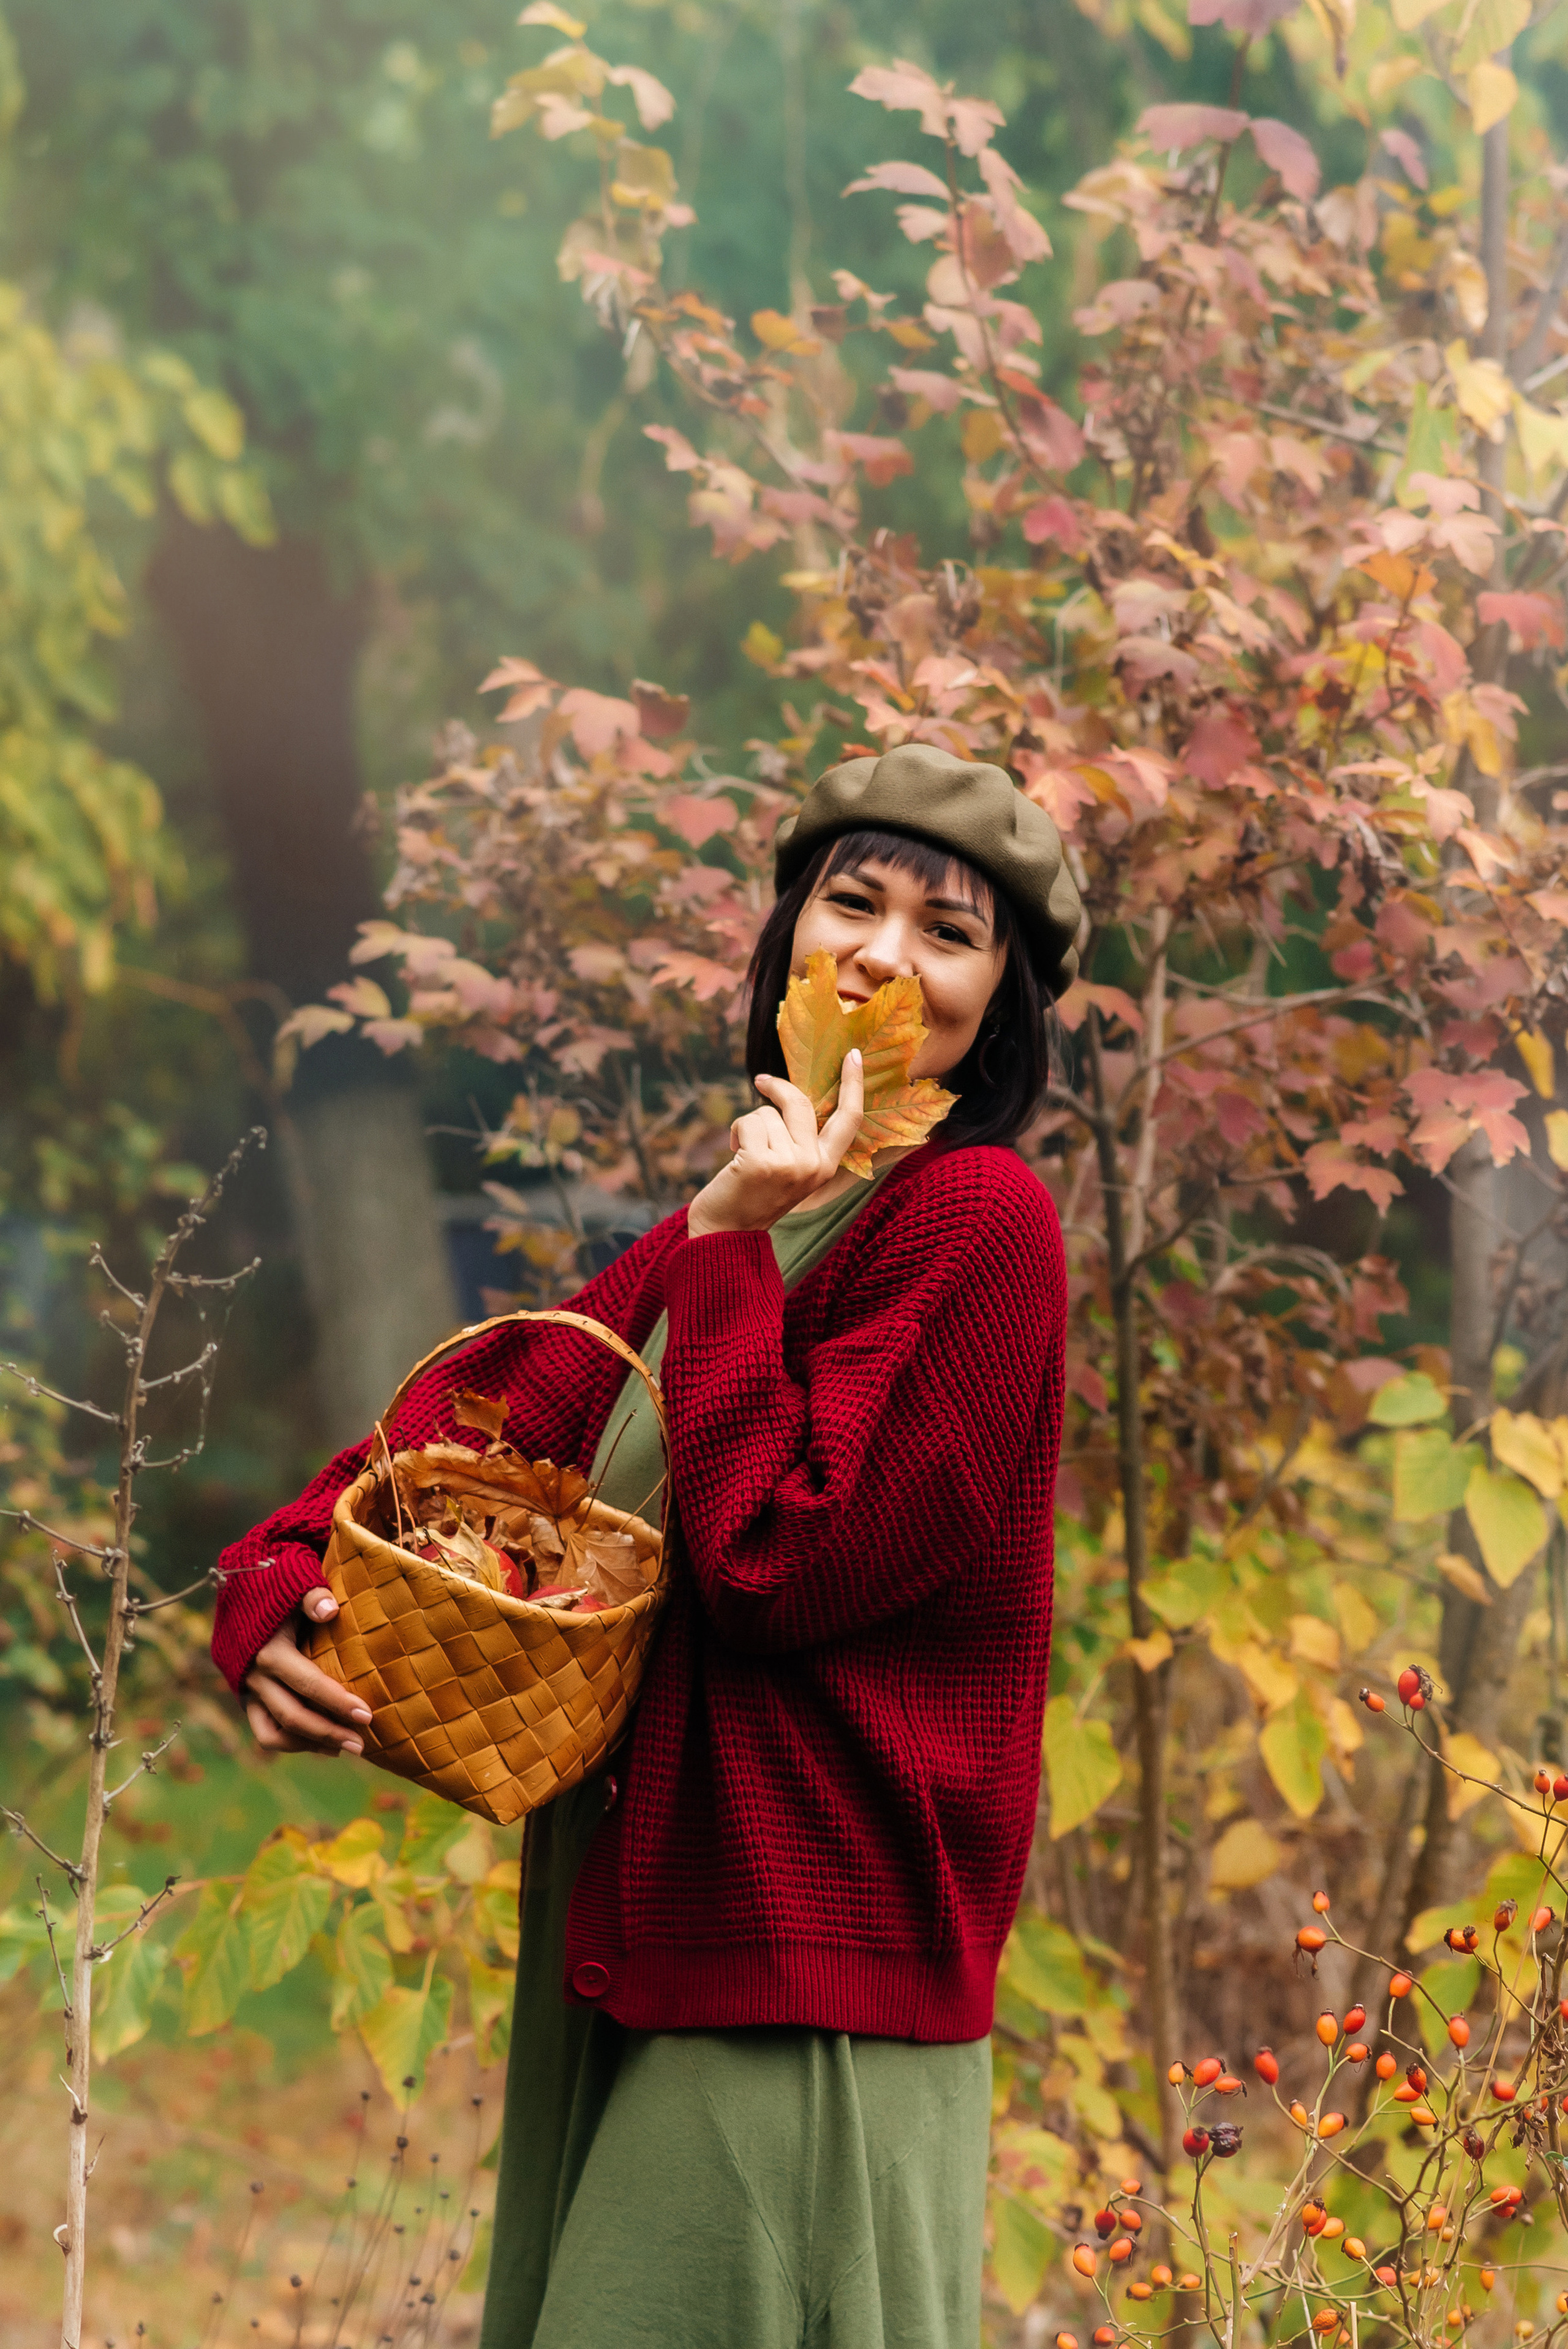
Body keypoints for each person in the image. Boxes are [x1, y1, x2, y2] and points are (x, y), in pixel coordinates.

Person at [212, 741, 1081, 2349]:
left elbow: (777, 1564)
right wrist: (271, 1590)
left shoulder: (980, 1227)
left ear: (1003, 1000)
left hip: (808, 2006)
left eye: (950, 933)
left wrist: (735, 1248)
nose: (887, 956)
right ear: (789, 951)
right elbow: (448, 1441)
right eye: (853, 903)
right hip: (648, 1966)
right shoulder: (727, 1222)